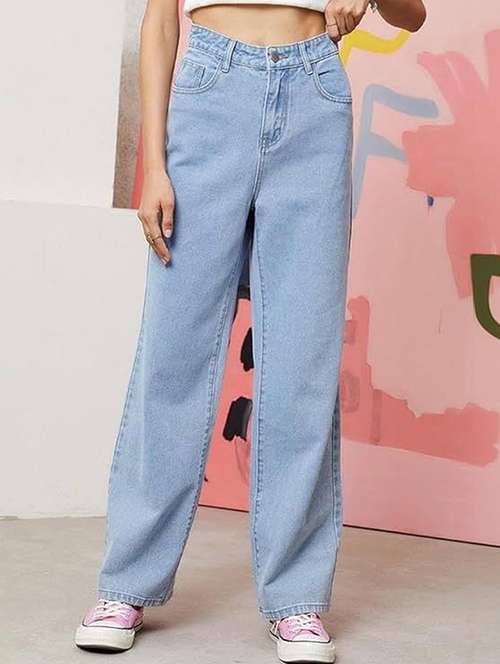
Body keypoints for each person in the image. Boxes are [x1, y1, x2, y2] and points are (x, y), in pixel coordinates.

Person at [74, 0, 426, 661]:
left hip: (315, 97)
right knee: (173, 359)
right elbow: (159, 21)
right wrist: (154, 164)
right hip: (209, 92)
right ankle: (127, 583)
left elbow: (414, 17)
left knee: (301, 366)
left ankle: (296, 600)